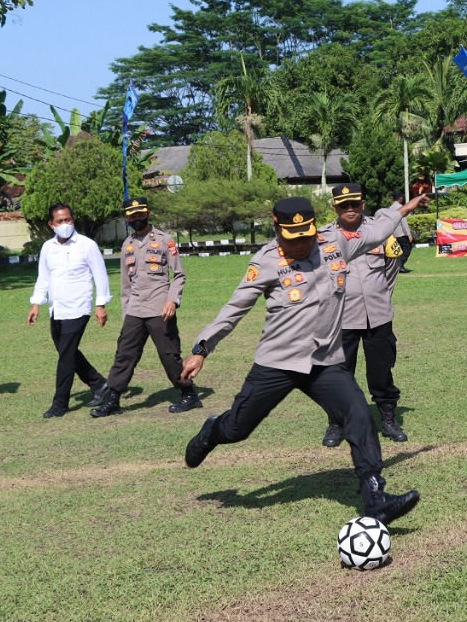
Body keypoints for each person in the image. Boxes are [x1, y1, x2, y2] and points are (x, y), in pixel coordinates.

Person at [180, 194, 430, 526]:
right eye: (292, 237)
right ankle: (212, 431)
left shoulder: (335, 242)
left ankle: (375, 498)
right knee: (237, 428)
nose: (301, 243)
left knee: (358, 412)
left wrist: (403, 209)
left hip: (324, 361)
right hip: (278, 361)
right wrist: (201, 348)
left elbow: (379, 228)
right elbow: (234, 308)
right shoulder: (266, 260)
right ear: (276, 228)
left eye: (306, 235)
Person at [91, 196, 200, 417]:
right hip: (135, 309)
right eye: (132, 216)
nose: (136, 219)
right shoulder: (127, 244)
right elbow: (125, 283)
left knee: (169, 355)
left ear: (148, 214)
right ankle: (113, 399)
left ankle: (189, 394)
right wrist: (126, 312)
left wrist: (172, 300)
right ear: (127, 218)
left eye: (140, 215)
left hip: (161, 308)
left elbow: (178, 275)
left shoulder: (164, 240)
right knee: (124, 355)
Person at [319, 183, 408, 448]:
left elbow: (392, 265)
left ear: (363, 204)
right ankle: (337, 422)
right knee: (339, 372)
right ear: (334, 207)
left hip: (378, 315)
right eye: (343, 205)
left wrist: (379, 293)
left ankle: (388, 417)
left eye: (354, 204)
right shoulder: (323, 238)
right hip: (341, 317)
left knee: (381, 370)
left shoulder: (379, 233)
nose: (349, 209)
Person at [27, 202, 111, 418]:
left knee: (66, 355)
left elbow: (100, 276)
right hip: (57, 308)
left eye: (68, 220)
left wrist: (100, 305)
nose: (65, 224)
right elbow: (43, 277)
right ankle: (100, 384)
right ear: (51, 224)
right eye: (60, 221)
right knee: (67, 351)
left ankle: (60, 403)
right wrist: (36, 303)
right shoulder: (48, 247)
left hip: (78, 307)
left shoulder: (87, 245)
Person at [391, 191, 415, 274]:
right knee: (407, 249)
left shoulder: (389, 208)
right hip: (401, 233)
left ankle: (397, 266)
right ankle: (400, 266)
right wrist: (409, 234)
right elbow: (404, 222)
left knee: (398, 251)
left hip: (393, 234)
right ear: (400, 198)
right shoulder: (402, 207)